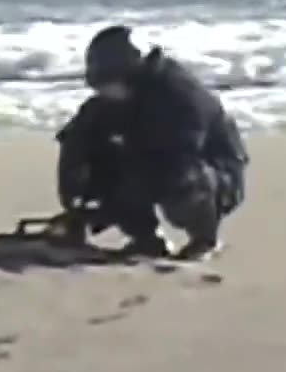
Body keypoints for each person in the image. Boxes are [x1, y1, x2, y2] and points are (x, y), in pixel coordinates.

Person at [54, 25, 249, 260]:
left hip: (214, 172)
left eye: (107, 83)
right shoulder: (109, 102)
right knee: (103, 164)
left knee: (182, 180)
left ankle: (205, 240)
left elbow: (177, 156)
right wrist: (77, 199)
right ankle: (147, 240)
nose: (103, 91)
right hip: (152, 162)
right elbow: (75, 141)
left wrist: (114, 202)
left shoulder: (179, 96)